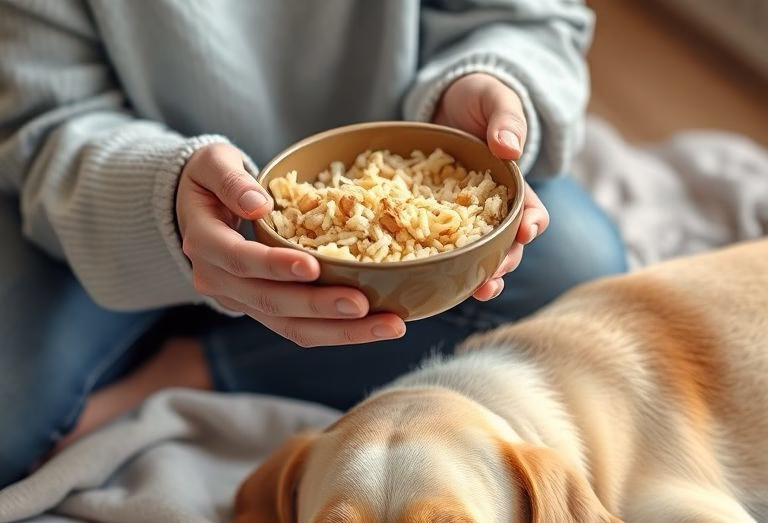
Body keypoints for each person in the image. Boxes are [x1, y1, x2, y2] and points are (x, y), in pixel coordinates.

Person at [0, 0, 627, 489]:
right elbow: (40, 122)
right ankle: (184, 306)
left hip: (416, 156)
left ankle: (193, 368)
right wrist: (160, 196)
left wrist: (491, 79)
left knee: (575, 269)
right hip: (112, 184)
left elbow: (528, 18)